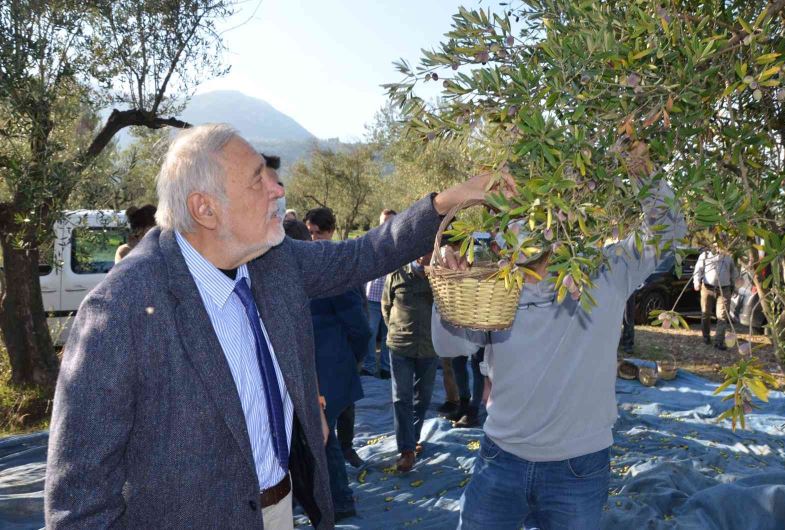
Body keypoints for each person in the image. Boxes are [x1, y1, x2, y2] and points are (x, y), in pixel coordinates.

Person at [45, 123, 504, 529]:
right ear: (205, 209)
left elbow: (365, 254)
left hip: (280, 509)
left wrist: (449, 202)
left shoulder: (274, 262)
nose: (278, 189)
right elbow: (79, 502)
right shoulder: (122, 308)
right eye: (257, 180)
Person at [433, 140, 686, 530]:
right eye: (511, 215)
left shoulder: (607, 270)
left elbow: (669, 230)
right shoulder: (493, 285)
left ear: (559, 214)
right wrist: (449, 289)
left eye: (532, 212)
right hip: (500, 458)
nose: (520, 226)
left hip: (578, 469)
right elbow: (449, 345)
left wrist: (641, 169)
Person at [304, 207, 371, 521]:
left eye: (318, 232)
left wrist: (350, 360)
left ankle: (341, 502)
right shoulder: (302, 268)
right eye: (310, 233)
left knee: (325, 437)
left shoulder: (332, 269)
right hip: (320, 369)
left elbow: (359, 326)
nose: (314, 239)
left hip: (328, 370)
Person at [382, 251, 438, 473]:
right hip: (400, 347)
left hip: (429, 347)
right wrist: (397, 331)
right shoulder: (397, 273)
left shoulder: (439, 276)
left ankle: (412, 438)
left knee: (423, 398)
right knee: (401, 398)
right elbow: (386, 307)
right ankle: (406, 450)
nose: (427, 255)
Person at [362, 209, 397, 379]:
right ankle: (369, 366)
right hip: (373, 296)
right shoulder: (371, 240)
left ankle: (385, 367)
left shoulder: (401, 242)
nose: (387, 224)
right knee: (370, 333)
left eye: (390, 221)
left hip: (393, 298)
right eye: (384, 221)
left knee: (387, 335)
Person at [693, 241, 738, 350]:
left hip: (724, 290)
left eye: (721, 243)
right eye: (717, 243)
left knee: (722, 316)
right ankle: (706, 336)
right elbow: (698, 270)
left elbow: (733, 274)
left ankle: (719, 342)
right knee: (705, 314)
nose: (718, 246)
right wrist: (696, 282)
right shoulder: (705, 256)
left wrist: (735, 287)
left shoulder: (728, 257)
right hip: (707, 288)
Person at [449, 348, 485, 428]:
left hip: (481, 336)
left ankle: (473, 411)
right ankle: (463, 404)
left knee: (478, 365)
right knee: (457, 362)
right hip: (460, 336)